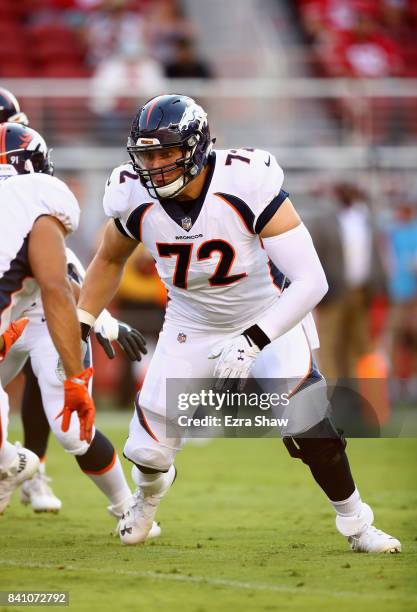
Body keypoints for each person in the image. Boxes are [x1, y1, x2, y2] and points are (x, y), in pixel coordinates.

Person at [78, 94, 400, 553]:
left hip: (267, 313)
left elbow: (312, 281)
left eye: (166, 153)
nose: (155, 166)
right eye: (147, 154)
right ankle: (145, 504)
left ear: (197, 147)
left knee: (309, 425)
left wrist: (254, 339)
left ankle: (357, 522)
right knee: (148, 451)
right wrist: (85, 318)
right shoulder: (132, 193)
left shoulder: (245, 181)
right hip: (191, 321)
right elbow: (109, 257)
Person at [0, 121, 160, 537]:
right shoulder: (34, 200)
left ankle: (128, 506)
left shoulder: (33, 211)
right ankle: (11, 465)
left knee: (72, 430)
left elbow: (63, 285)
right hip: (10, 319)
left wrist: (100, 329)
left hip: (40, 320)